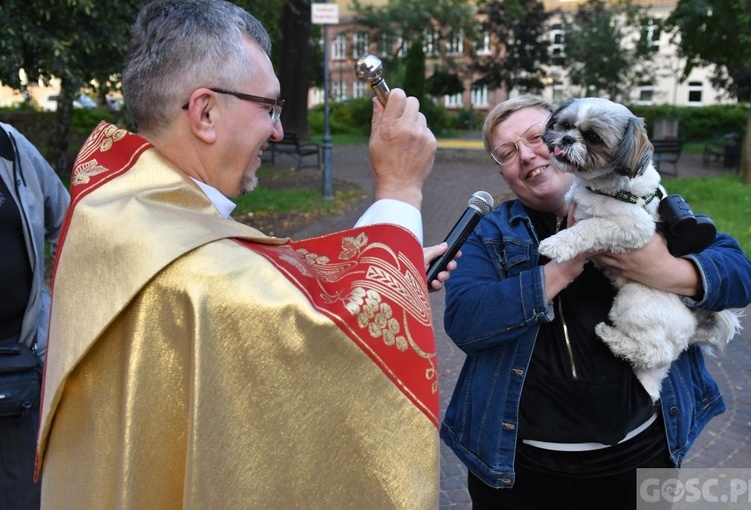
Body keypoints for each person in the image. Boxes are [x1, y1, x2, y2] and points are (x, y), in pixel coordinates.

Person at [36, 1, 449, 508]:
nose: (277, 131)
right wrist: (400, 191)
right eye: (268, 107)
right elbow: (308, 334)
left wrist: (389, 265)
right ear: (205, 112)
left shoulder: (112, 208)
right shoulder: (190, 272)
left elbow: (255, 279)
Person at [439, 96, 751, 509]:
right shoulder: (492, 233)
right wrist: (560, 270)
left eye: (537, 136)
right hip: (519, 465)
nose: (529, 155)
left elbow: (741, 275)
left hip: (644, 451)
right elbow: (466, 321)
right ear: (502, 170)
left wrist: (665, 270)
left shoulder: (649, 203)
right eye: (507, 152)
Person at [0, 122, 69, 509]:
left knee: (25, 496)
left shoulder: (11, 146)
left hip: (21, 365)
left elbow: (66, 219)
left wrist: (68, 302)